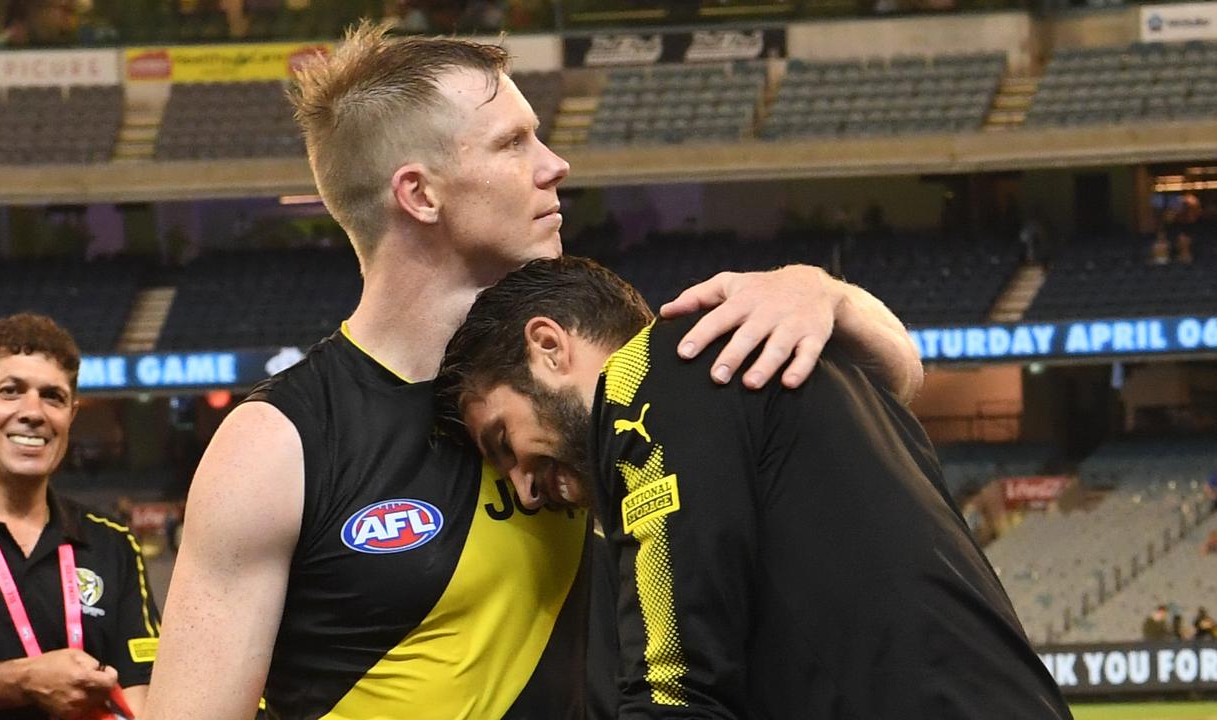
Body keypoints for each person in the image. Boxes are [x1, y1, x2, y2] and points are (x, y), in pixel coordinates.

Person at [144, 24, 923, 720]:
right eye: (512, 144)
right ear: (419, 193)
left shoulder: (601, 366)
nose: (554, 165)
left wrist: (820, 293)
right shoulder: (274, 446)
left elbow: (888, 392)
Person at [435, 256, 1072, 718]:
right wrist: (825, 289)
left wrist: (819, 286)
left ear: (549, 347)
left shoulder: (645, 380)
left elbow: (675, 694)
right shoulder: (810, 372)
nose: (523, 488)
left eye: (502, 441)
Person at [0, 313, 160, 720]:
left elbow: (141, 692)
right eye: (11, 391)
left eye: (53, 397)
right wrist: (21, 680)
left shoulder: (110, 542)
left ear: (71, 417)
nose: (33, 412)